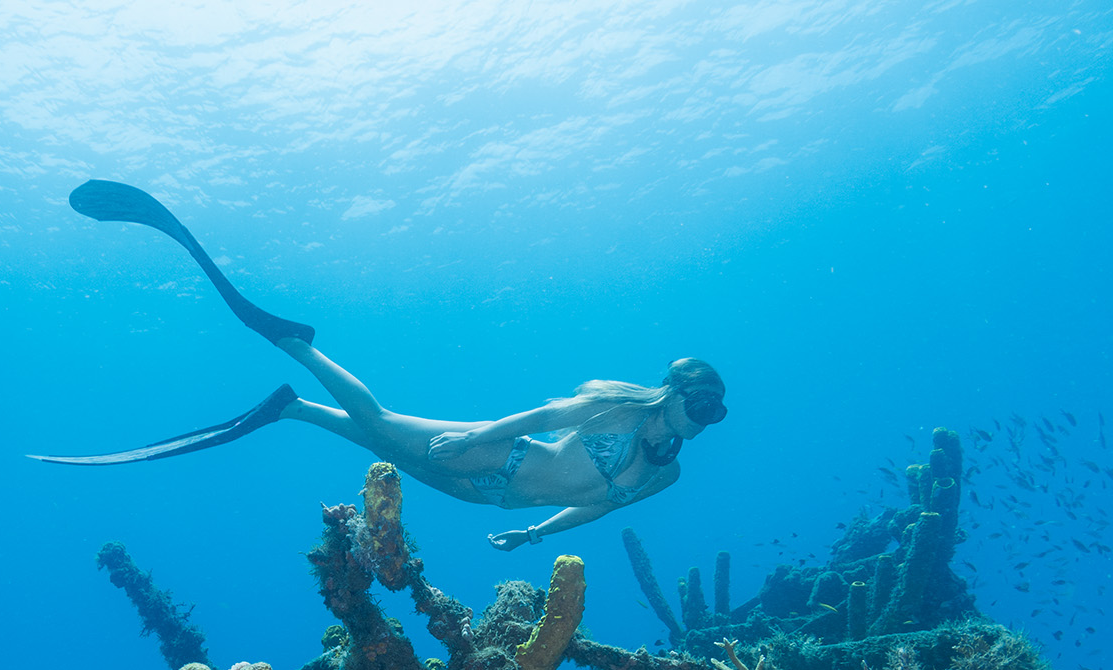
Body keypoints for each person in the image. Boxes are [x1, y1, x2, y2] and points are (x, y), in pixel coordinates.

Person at [36, 181, 727, 550]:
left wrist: (531, 534)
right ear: (674, 394)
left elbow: (589, 510)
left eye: (711, 416)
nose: (703, 422)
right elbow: (545, 416)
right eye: (700, 406)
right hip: (500, 457)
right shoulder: (622, 411)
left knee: (376, 441)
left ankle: (293, 408)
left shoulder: (665, 476)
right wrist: (478, 439)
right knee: (378, 419)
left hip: (486, 497)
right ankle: (292, 342)